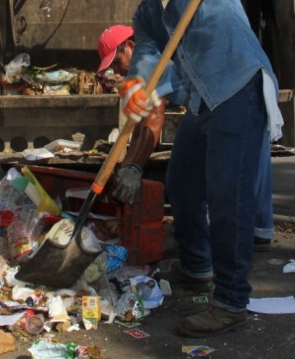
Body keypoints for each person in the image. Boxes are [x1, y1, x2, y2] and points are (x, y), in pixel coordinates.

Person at [92, 0, 282, 337]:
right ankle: (197, 266)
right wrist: (136, 87)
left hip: (237, 86)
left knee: (227, 196)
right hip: (202, 101)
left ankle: (231, 301)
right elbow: (146, 53)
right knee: (182, 182)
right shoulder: (146, 14)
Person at [96, 24, 276, 252]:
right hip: (213, 98)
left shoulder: (148, 57)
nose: (118, 71)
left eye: (116, 62)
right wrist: (125, 166)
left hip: (234, 92)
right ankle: (216, 252)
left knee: (221, 177)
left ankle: (244, 242)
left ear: (130, 46)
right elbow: (140, 127)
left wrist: (133, 169)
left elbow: (153, 120)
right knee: (191, 176)